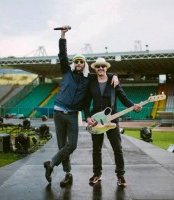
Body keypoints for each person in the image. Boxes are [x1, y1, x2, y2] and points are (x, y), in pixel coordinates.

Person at [44, 27, 119, 187]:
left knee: (72, 145)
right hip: (58, 113)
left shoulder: (88, 78)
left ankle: (50, 164)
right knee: (61, 145)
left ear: (84, 64)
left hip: (72, 115)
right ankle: (67, 174)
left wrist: (114, 75)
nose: (78, 63)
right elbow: (62, 55)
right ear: (73, 63)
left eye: (81, 61)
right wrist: (63, 36)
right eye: (76, 61)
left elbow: (103, 73)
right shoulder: (66, 72)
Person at [84, 57, 142, 187]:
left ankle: (120, 176)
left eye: (103, 66)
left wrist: (134, 106)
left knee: (117, 149)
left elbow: (123, 97)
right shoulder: (91, 81)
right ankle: (97, 174)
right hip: (96, 120)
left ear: (106, 68)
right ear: (95, 68)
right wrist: (87, 117)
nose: (100, 68)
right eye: (98, 66)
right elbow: (86, 103)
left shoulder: (113, 81)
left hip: (112, 120)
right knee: (96, 149)